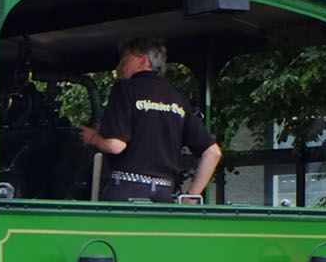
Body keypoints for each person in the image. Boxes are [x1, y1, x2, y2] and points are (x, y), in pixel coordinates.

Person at [79, 38, 223, 203]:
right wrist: (191, 196)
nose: (119, 68)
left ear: (143, 61)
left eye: (124, 61)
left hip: (126, 190)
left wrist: (93, 138)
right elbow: (213, 152)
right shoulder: (177, 99)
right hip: (163, 195)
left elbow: (115, 145)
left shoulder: (125, 89)